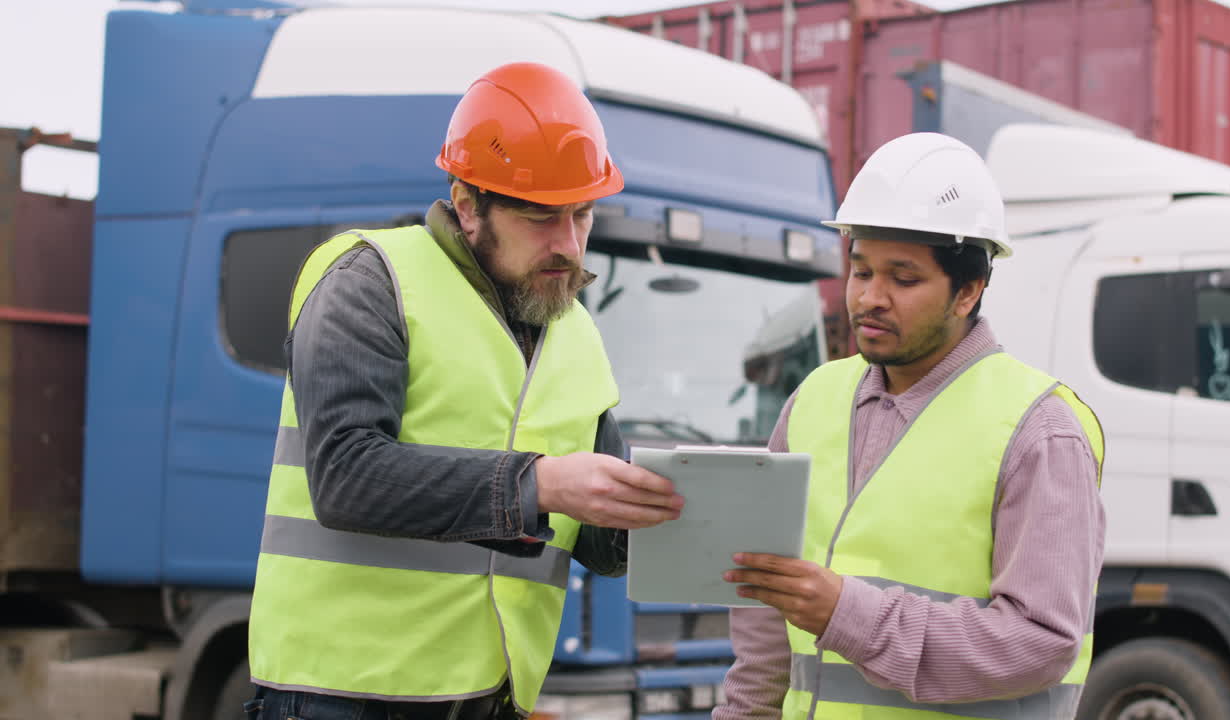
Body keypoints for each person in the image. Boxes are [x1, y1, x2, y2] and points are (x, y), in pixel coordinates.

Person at [245, 62, 684, 720]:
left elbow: (599, 539)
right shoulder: (373, 278)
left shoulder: (575, 331)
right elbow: (344, 475)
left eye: (583, 216)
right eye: (541, 218)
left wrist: (689, 513)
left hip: (489, 697)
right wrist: (544, 484)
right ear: (469, 203)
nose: (568, 245)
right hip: (339, 694)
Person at [714, 132, 1106, 720]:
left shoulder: (1038, 430)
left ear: (967, 291)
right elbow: (767, 615)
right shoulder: (815, 400)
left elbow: (1041, 642)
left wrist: (848, 615)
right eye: (861, 269)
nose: (870, 297)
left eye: (903, 278)